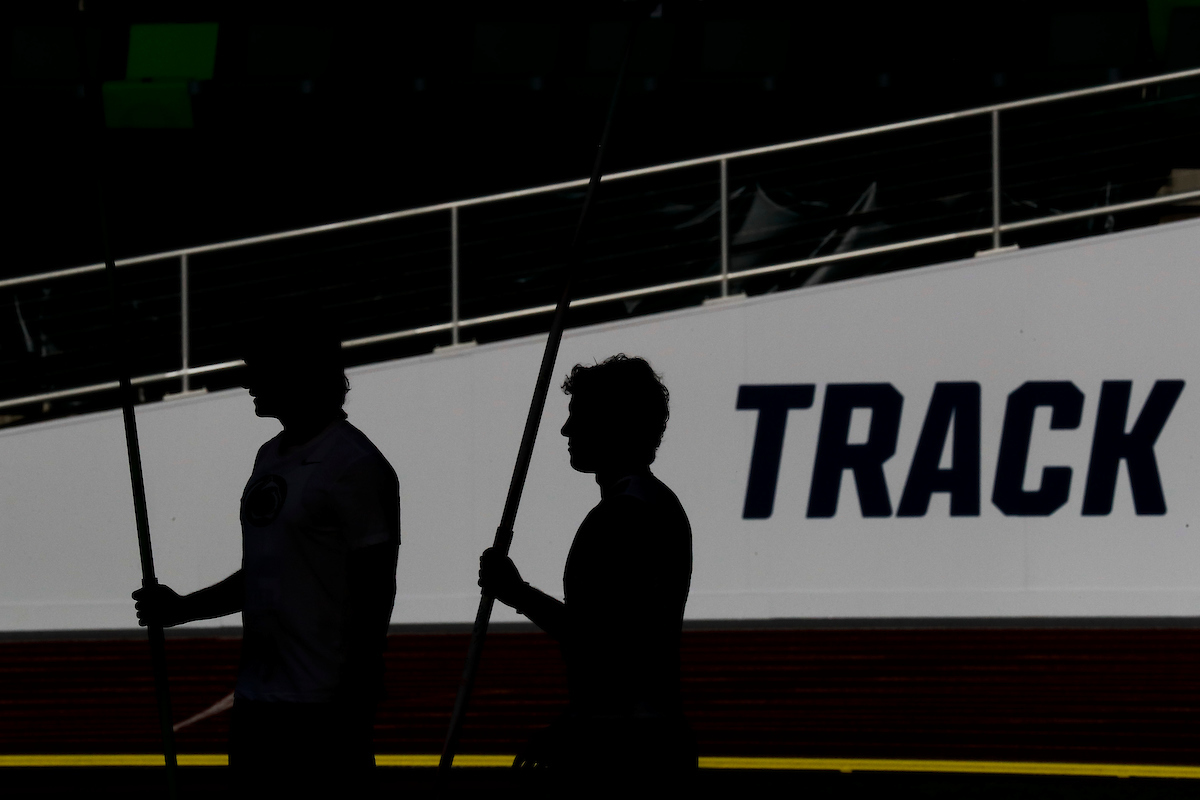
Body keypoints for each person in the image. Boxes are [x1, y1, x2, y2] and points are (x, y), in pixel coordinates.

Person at [132, 302, 399, 797]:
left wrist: (358, 685)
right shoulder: (270, 456)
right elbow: (266, 572)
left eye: (258, 368)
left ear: (298, 371)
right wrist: (182, 609)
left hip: (324, 703)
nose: (246, 381)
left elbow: (376, 583)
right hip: (258, 697)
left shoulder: (353, 465)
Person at [479, 354, 696, 786]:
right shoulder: (653, 502)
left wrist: (516, 592)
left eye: (578, 416)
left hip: (626, 748)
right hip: (640, 734)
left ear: (612, 424)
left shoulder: (624, 514)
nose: (566, 430)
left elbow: (604, 641)